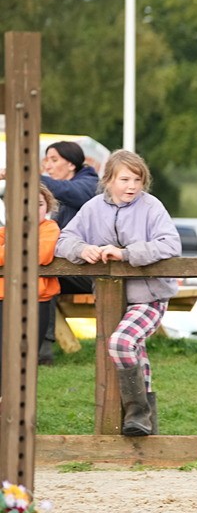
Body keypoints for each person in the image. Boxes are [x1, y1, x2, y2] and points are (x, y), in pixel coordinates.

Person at [56, 151, 181, 436]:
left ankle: (137, 414)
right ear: (109, 180)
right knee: (135, 351)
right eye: (125, 179)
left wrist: (126, 254)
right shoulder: (92, 208)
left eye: (138, 179)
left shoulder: (151, 207)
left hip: (150, 295)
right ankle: (146, 426)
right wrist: (81, 249)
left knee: (122, 344)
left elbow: (171, 245)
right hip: (110, 298)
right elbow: (64, 240)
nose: (132, 186)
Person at [0, 140, 100, 363]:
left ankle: (42, 348)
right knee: (40, 272)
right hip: (62, 262)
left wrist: (23, 174)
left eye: (53, 160)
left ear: (72, 164)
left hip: (89, 267)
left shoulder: (87, 183)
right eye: (46, 160)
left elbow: (66, 191)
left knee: (43, 273)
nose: (47, 165)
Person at [0, 183, 61, 387]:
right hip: (3, 299)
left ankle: (19, 411)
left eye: (40, 204)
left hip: (37, 301)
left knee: (26, 357)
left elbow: (42, 254)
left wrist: (10, 249)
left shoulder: (50, 228)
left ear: (48, 207)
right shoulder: (5, 230)